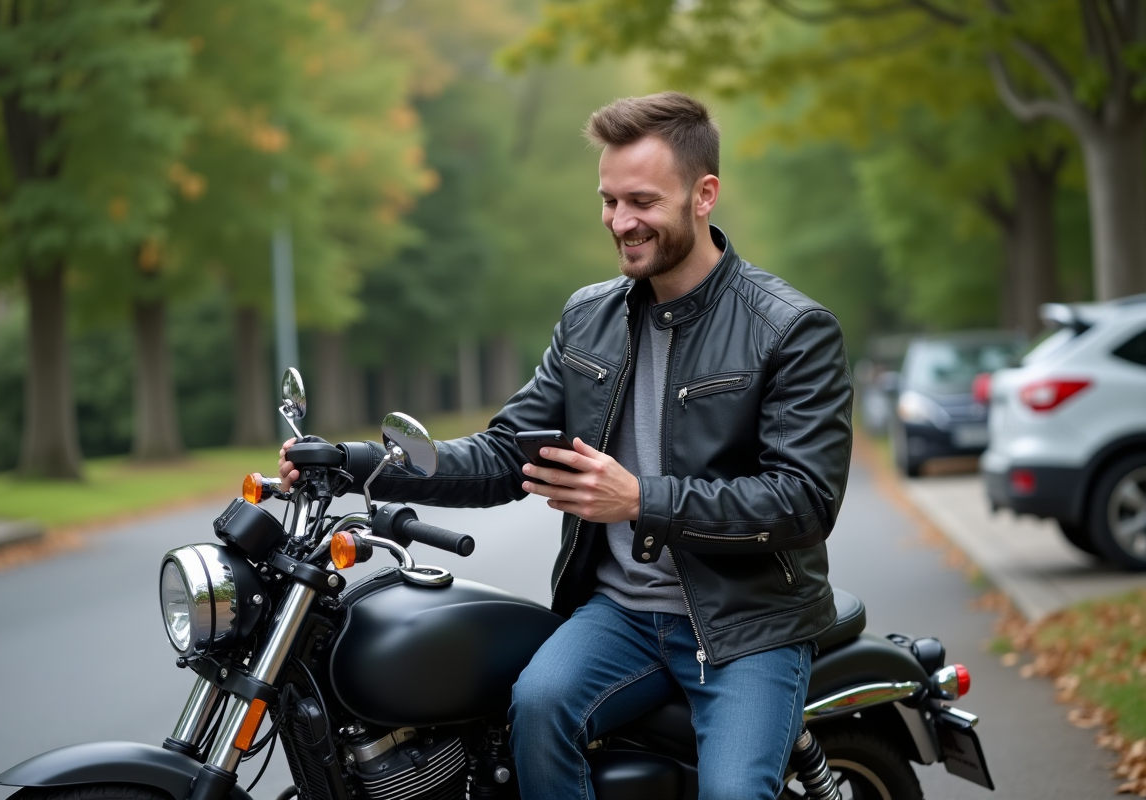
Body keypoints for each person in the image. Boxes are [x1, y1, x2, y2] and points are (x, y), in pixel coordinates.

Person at [280, 91, 853, 800]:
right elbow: (502, 456)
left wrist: (642, 500)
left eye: (641, 201)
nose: (620, 222)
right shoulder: (590, 318)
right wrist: (357, 463)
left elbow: (805, 501)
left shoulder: (790, 329)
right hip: (621, 615)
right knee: (537, 708)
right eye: (608, 201)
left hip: (748, 625)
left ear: (705, 194)